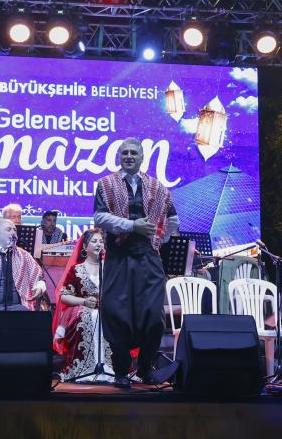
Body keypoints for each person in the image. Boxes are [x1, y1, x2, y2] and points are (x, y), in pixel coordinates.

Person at [93, 137, 179, 388]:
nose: (129, 156)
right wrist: (132, 226)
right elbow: (99, 217)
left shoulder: (157, 187)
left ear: (142, 158)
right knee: (116, 313)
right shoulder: (106, 184)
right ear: (119, 157)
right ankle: (121, 371)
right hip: (119, 257)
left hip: (148, 258)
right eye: (125, 153)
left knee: (153, 316)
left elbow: (173, 219)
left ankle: (145, 367)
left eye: (133, 153)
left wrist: (158, 239)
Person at [53, 228, 114, 382]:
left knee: (112, 317)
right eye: (94, 241)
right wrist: (84, 302)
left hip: (107, 310)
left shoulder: (110, 268)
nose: (99, 244)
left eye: (101, 241)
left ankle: (111, 368)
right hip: (83, 309)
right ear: (85, 247)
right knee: (87, 316)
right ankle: (85, 368)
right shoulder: (76, 269)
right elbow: (64, 296)